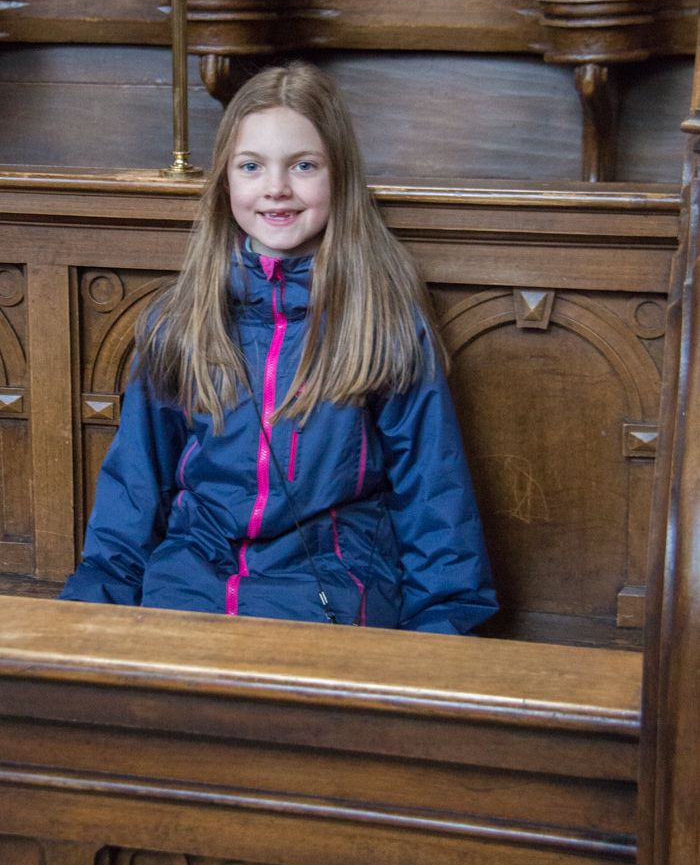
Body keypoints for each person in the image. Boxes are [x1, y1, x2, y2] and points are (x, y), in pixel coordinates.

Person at [60, 62, 497, 634]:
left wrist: (441, 641)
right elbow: (134, 488)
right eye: (251, 166)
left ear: (340, 176)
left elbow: (434, 496)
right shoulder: (178, 322)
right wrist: (85, 622)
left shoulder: (382, 322)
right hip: (190, 583)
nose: (276, 188)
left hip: (330, 594)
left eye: (303, 165)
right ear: (225, 182)